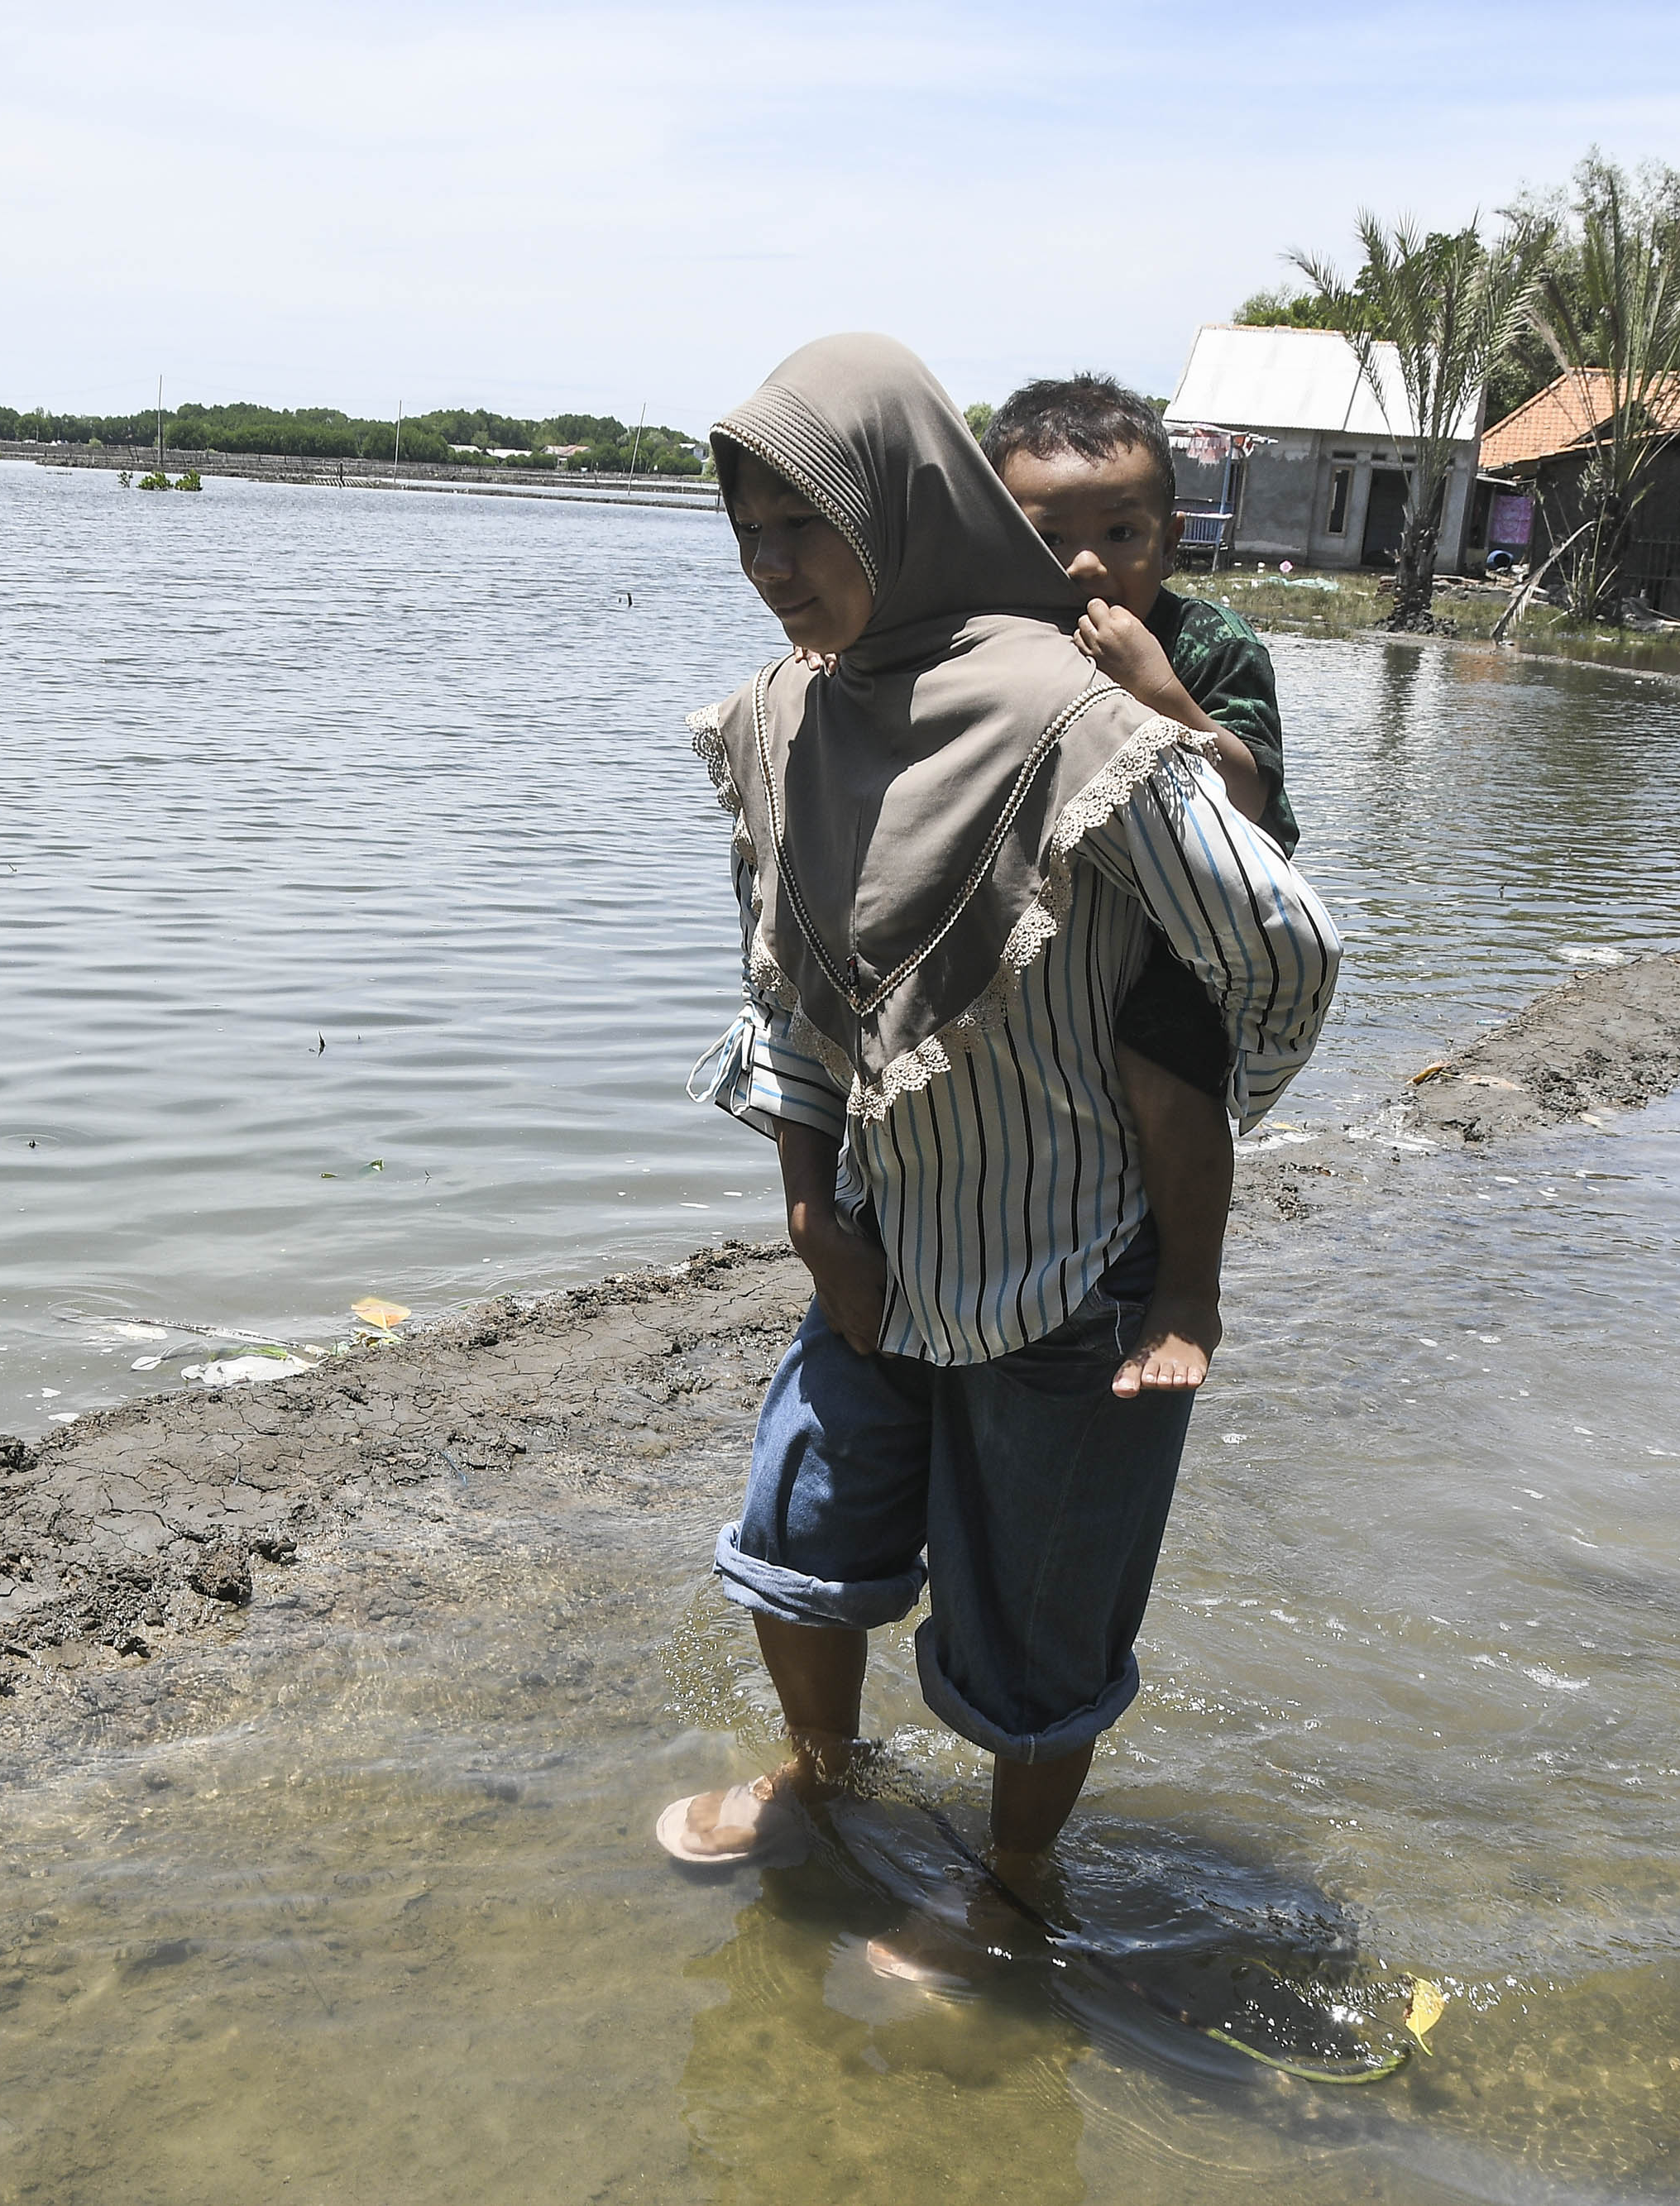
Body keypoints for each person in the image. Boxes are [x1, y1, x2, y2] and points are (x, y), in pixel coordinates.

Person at [662, 334, 1340, 1971]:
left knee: (1037, 1626)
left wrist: (1166, 1093)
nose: (772, 571)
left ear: (900, 508)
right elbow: (778, 986)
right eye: (747, 532)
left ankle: (1014, 1885)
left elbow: (1277, 937)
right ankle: (822, 1779)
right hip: (878, 1247)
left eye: (804, 527)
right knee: (794, 1536)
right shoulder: (779, 721)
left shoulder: (1066, 712)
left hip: (1063, 1265)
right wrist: (813, 1201)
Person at [981, 376, 1299, 1399]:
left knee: (1159, 1060)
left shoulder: (1208, 645)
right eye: (1046, 537)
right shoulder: (996, 632)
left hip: (1193, 909)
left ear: (1166, 539)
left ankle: (1187, 1293)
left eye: (1120, 531)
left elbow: (1248, 801)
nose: (1085, 564)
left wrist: (1155, 689)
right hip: (1059, 895)